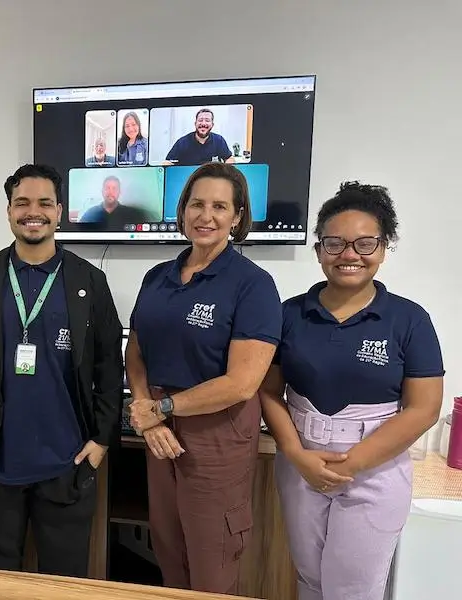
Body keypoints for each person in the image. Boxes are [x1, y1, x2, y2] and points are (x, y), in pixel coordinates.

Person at [258, 182, 444, 600]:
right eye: (335, 243)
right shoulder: (289, 314)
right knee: (309, 580)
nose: (349, 255)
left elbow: (424, 408)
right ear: (319, 249)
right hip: (301, 464)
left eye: (364, 243)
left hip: (374, 470)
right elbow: (268, 392)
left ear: (383, 248)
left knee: (353, 589)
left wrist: (351, 465)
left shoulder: (409, 320)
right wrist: (297, 455)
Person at [0, 163, 124, 577]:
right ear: (9, 211)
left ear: (59, 211)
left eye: (44, 203)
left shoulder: (89, 280)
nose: (32, 212)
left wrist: (101, 440)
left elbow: (110, 365)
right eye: (22, 203)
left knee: (63, 582)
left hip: (67, 461)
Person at [126, 162, 282, 594]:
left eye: (219, 206)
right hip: (157, 425)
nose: (205, 216)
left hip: (217, 430)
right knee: (167, 547)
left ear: (237, 216)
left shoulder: (253, 285)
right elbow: (135, 349)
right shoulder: (157, 277)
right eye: (196, 204)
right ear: (182, 210)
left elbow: (242, 383)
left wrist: (160, 409)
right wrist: (146, 411)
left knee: (212, 558)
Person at [165, 108, 234, 166]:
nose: (203, 123)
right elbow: (167, 162)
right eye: (200, 120)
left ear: (212, 125)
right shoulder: (182, 142)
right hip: (189, 177)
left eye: (207, 120)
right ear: (195, 124)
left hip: (211, 177)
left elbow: (229, 158)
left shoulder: (219, 140)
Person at [78, 175, 152, 226]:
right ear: (102, 191)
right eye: (107, 188)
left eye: (114, 188)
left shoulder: (132, 214)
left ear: (119, 192)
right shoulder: (90, 213)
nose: (110, 192)